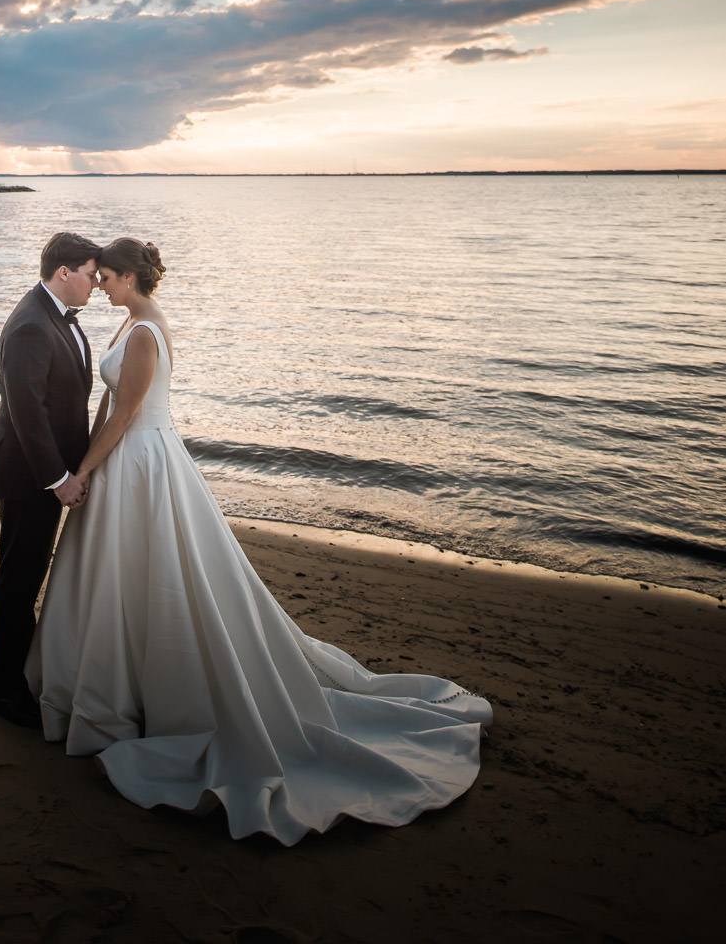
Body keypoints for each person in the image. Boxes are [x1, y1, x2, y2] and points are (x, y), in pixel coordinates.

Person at [26, 236, 493, 845]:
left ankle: (143, 697)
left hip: (140, 464)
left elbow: (124, 416)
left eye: (106, 279)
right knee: (119, 575)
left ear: (126, 277)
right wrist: (87, 466)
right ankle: (118, 685)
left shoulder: (144, 334)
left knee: (154, 574)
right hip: (126, 464)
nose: (100, 287)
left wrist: (85, 470)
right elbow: (109, 410)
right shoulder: (132, 324)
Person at [0, 230, 100, 728]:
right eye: (92, 276)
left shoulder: (57, 316)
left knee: (24, 575)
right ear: (64, 273)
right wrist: (58, 479)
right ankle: (4, 693)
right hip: (28, 474)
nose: (96, 285)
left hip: (44, 470)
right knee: (18, 581)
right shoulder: (32, 324)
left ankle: (17, 680)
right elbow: (27, 411)